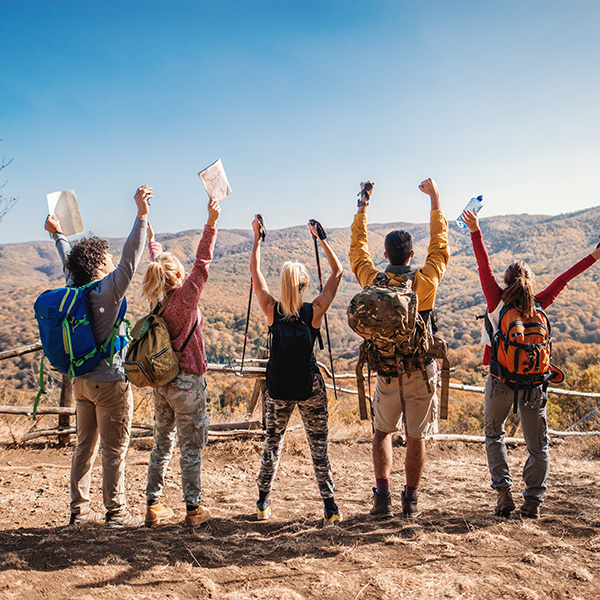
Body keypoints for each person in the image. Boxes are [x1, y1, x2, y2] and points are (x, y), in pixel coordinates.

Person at [461, 209, 600, 518]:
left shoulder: (496, 300)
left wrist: (476, 230)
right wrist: (595, 255)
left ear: (507, 281)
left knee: (494, 435)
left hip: (501, 381)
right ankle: (533, 502)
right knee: (538, 445)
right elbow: (565, 278)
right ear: (529, 282)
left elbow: (483, 264)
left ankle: (503, 495)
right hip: (535, 382)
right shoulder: (539, 302)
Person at [44, 185, 151, 527]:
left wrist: (58, 234)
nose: (110, 260)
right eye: (105, 257)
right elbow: (132, 258)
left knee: (84, 447)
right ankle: (116, 513)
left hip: (81, 384)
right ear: (98, 264)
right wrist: (142, 215)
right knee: (114, 451)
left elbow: (66, 258)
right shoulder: (109, 290)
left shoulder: (72, 289)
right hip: (109, 384)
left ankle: (79, 511)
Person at [349, 178, 449, 518]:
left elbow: (357, 251)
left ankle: (382, 498)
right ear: (410, 255)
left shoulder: (371, 279)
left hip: (387, 368)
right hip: (421, 370)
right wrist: (435, 198)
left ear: (387, 255)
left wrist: (362, 206)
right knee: (416, 436)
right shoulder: (424, 282)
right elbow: (439, 248)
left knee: (381, 434)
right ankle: (411, 501)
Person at [250, 217, 344, 525]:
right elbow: (338, 272)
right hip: (310, 388)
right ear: (304, 284)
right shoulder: (313, 312)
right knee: (319, 447)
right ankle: (330, 507)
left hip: (278, 388)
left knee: (272, 443)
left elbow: (255, 273)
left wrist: (257, 239)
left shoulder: (270, 309)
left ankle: (263, 503)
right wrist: (321, 239)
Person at [142, 198, 221, 528]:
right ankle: (193, 510)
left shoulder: (158, 297)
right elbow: (202, 262)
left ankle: (154, 505)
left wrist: (151, 239)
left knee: (162, 444)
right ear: (177, 274)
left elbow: (156, 262)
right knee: (190, 447)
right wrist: (212, 221)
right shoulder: (185, 297)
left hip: (162, 383)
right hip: (188, 382)